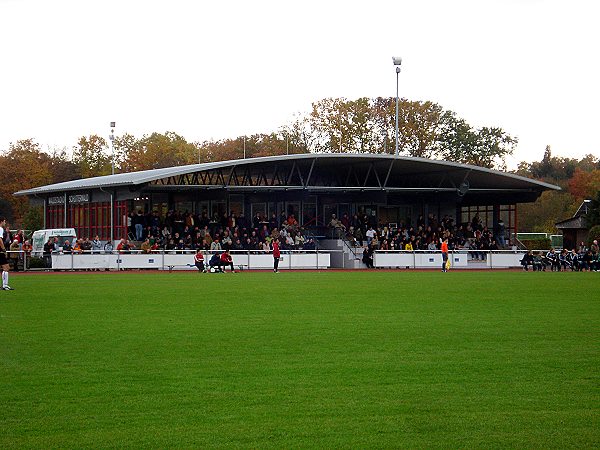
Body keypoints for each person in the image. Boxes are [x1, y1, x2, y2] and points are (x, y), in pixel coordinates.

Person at [0, 217, 13, 290]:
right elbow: (0, 240)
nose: (5, 223)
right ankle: (5, 285)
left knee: (5, 267)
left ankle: (5, 285)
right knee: (6, 267)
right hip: (0, 251)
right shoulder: (0, 229)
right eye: (4, 221)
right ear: (1, 222)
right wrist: (4, 249)